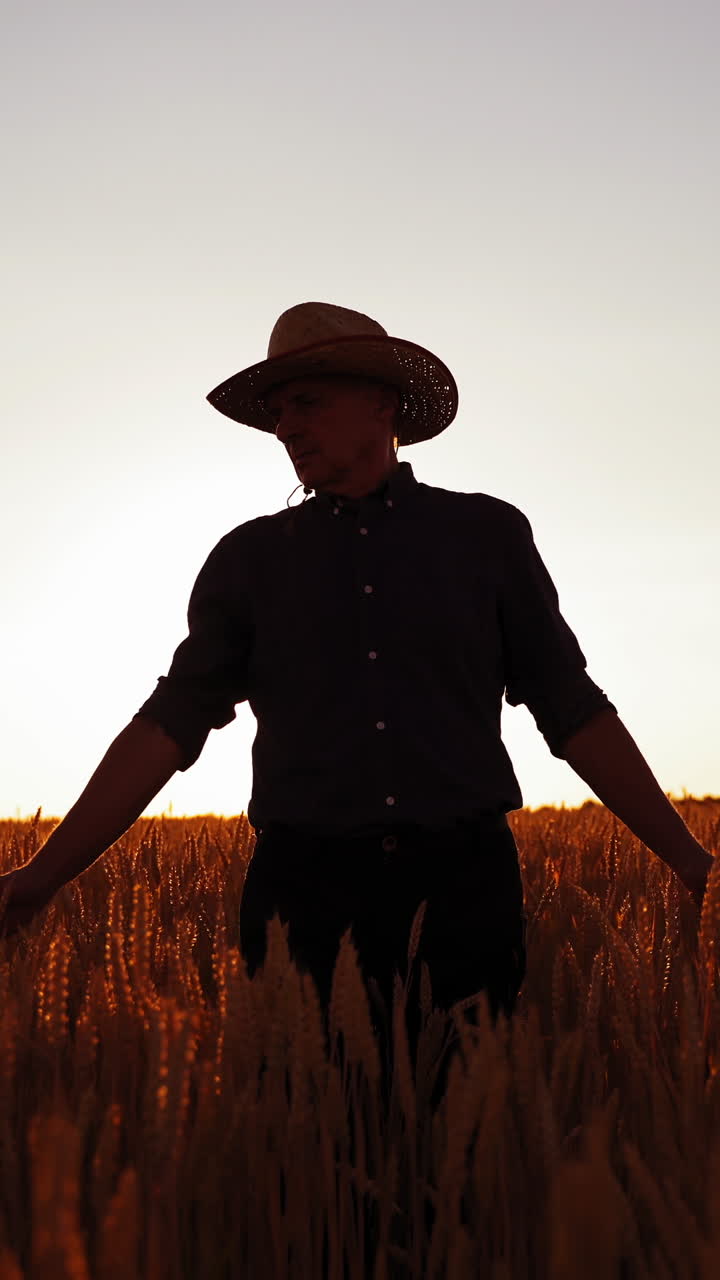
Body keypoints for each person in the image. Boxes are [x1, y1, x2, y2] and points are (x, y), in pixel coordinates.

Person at [1, 301, 713, 1112]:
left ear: (383, 404)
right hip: (304, 904)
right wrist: (44, 877)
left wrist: (689, 861)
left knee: (465, 1151)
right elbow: (170, 724)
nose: (287, 427)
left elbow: (571, 707)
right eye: (278, 413)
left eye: (307, 402)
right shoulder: (249, 561)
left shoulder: (486, 536)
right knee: (308, 1156)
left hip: (463, 896)